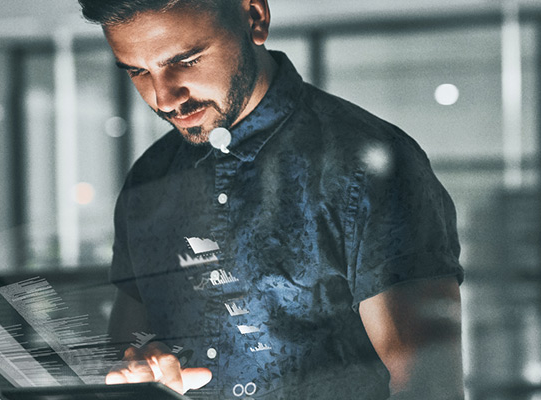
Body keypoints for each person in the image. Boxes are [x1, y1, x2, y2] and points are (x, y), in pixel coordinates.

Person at [79, 0, 465, 398]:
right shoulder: (150, 177)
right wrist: (145, 367)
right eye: (139, 72)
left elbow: (431, 389)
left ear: (255, 17)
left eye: (187, 61)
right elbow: (123, 356)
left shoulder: (367, 166)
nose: (163, 98)